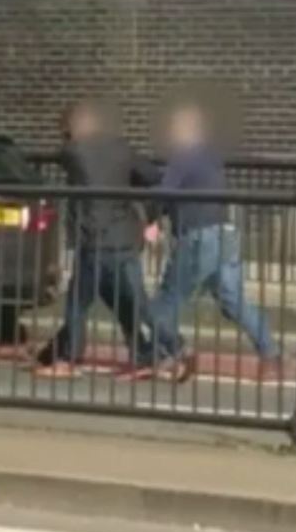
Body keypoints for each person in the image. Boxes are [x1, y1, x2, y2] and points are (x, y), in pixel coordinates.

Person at [138, 100, 282, 379]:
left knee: (164, 303)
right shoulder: (210, 156)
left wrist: (150, 216)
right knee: (233, 301)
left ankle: (173, 354)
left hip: (197, 237)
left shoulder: (183, 155)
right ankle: (271, 355)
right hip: (223, 233)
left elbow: (166, 192)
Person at [36, 99, 164, 379]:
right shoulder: (122, 148)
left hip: (93, 240)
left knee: (77, 304)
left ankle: (67, 359)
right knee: (129, 304)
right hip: (124, 239)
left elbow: (66, 155)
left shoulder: (74, 152)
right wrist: (150, 215)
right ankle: (149, 355)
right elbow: (153, 177)